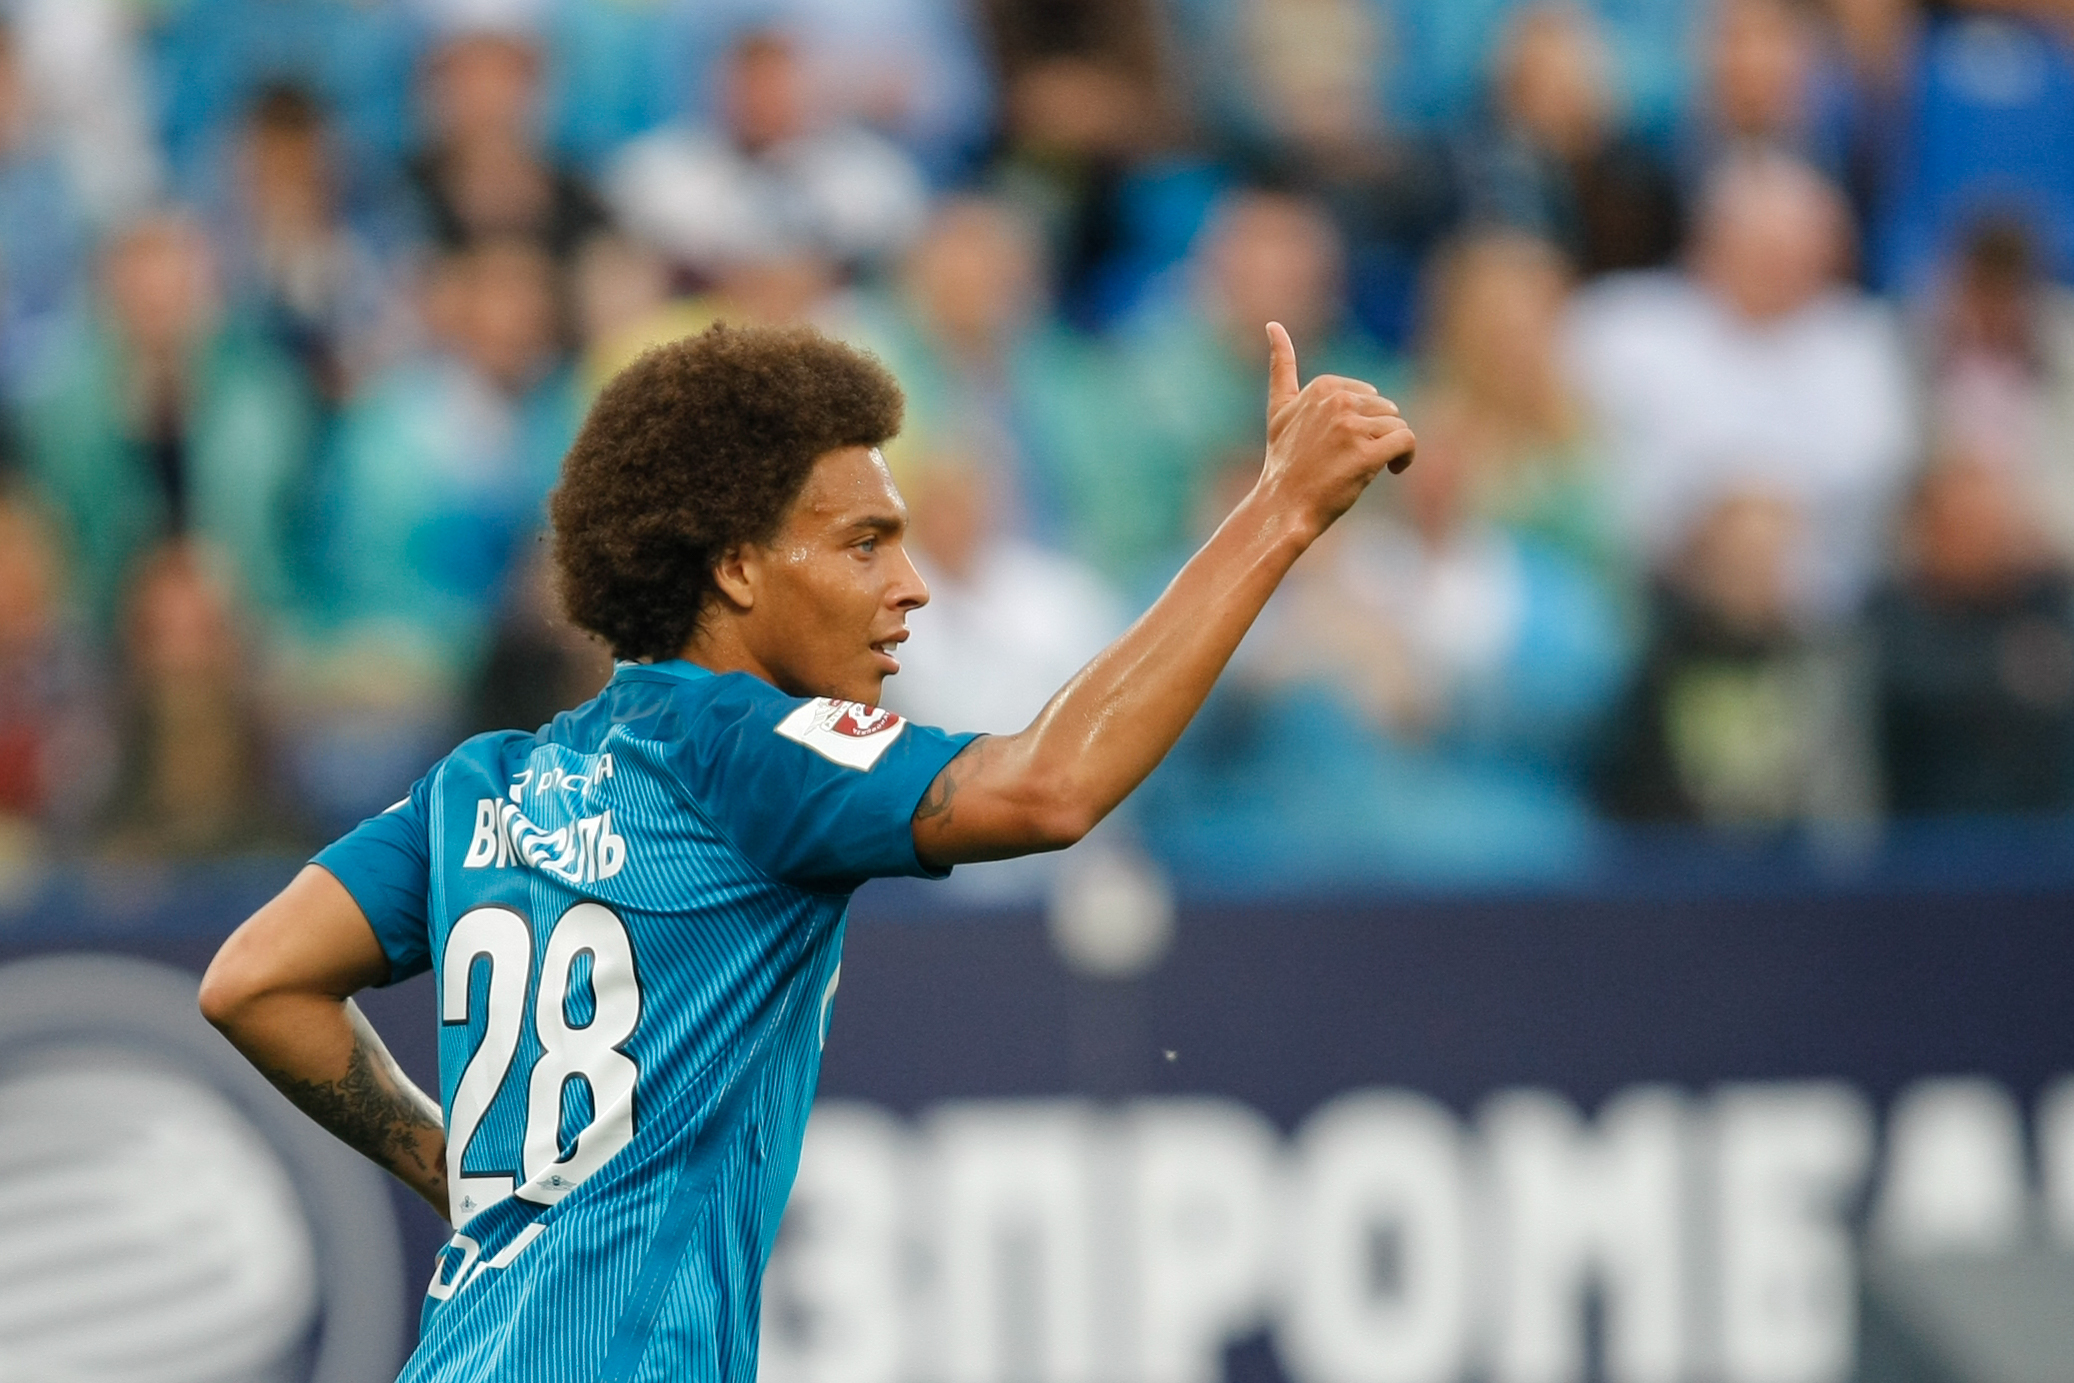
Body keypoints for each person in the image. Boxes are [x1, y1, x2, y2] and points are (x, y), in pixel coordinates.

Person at [197, 320, 1414, 1380]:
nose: (912, 586)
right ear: (733, 566)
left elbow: (255, 980)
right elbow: (1048, 788)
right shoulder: (746, 757)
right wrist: (1279, 514)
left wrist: (461, 1181)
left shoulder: (486, 785)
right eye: (864, 543)